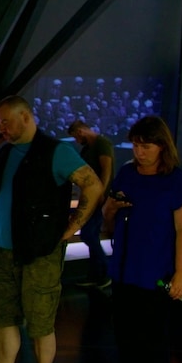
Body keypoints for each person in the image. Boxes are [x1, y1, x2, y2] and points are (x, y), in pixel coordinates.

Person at [0, 96, 104, 363]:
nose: (2, 128)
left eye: (6, 122)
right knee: (5, 317)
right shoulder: (2, 149)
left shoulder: (57, 151)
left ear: (26, 117)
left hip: (40, 251)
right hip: (3, 250)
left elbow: (92, 185)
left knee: (40, 321)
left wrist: (73, 227)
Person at [102, 116, 182, 363]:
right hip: (124, 269)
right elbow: (108, 218)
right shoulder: (128, 174)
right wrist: (112, 209)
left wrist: (181, 274)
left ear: (161, 146)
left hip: (155, 271)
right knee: (125, 334)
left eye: (146, 145)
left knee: (152, 339)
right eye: (136, 145)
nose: (139, 151)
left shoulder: (176, 181)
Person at [68, 120, 115, 288]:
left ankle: (108, 271)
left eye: (75, 137)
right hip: (90, 197)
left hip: (98, 198)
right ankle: (97, 275)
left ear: (80, 132)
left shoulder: (102, 144)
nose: (76, 141)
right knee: (91, 235)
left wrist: (101, 193)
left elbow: (106, 169)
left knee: (88, 234)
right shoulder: (88, 148)